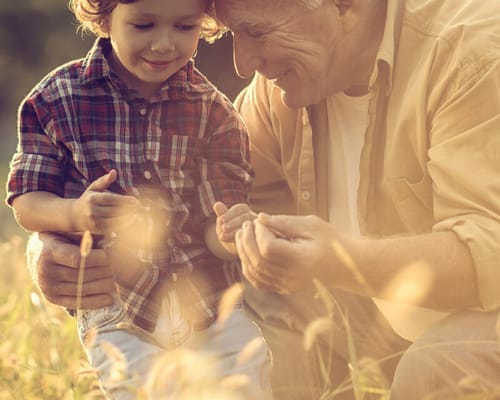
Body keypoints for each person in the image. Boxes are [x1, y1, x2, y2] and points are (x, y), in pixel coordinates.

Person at [21, 0, 500, 399]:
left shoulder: (472, 52)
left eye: (255, 32)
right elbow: (186, 204)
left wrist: (340, 260)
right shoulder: (281, 93)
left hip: (481, 321)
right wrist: (50, 246)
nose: (242, 63)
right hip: (376, 326)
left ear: (344, 5)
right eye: (233, 34)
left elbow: (491, 249)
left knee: (437, 369)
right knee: (246, 309)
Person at [6, 0, 272, 399]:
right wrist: (75, 212)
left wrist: (231, 231)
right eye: (144, 25)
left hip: (209, 301)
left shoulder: (215, 112)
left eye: (184, 27)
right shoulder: (57, 99)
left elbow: (216, 220)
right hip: (119, 307)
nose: (164, 44)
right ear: (102, 16)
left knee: (247, 384)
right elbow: (27, 201)